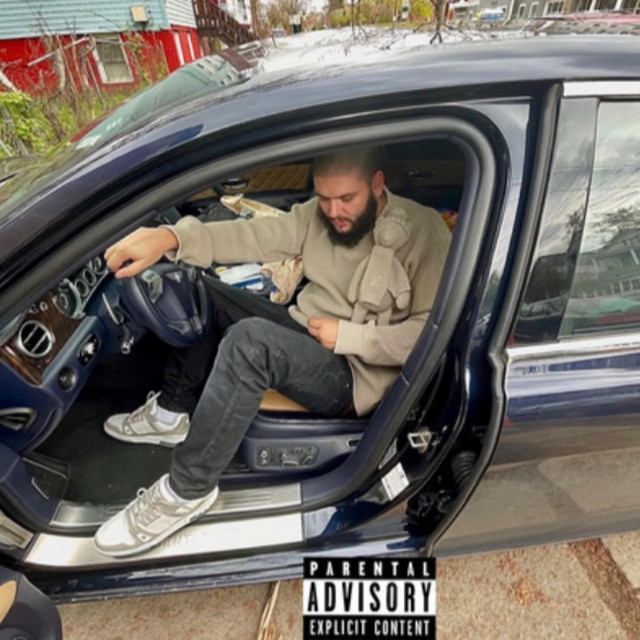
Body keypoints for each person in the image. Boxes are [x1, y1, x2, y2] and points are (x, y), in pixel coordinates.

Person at [94, 148, 451, 557]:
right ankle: (172, 413)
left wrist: (350, 337)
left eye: (346, 199)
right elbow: (253, 236)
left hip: (355, 372)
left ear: (377, 184)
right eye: (325, 198)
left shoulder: (425, 230)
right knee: (198, 287)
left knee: (250, 342)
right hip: (307, 331)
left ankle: (187, 490)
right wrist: (172, 238)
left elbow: (430, 333)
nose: (334, 211)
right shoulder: (317, 216)